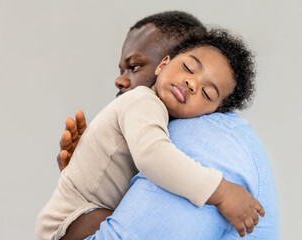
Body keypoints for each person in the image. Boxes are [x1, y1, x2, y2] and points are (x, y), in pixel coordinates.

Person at [56, 11, 279, 240]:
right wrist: (91, 168)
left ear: (165, 62)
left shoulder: (199, 137)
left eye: (135, 67)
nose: (120, 81)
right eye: (122, 69)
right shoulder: (160, 130)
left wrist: (220, 191)